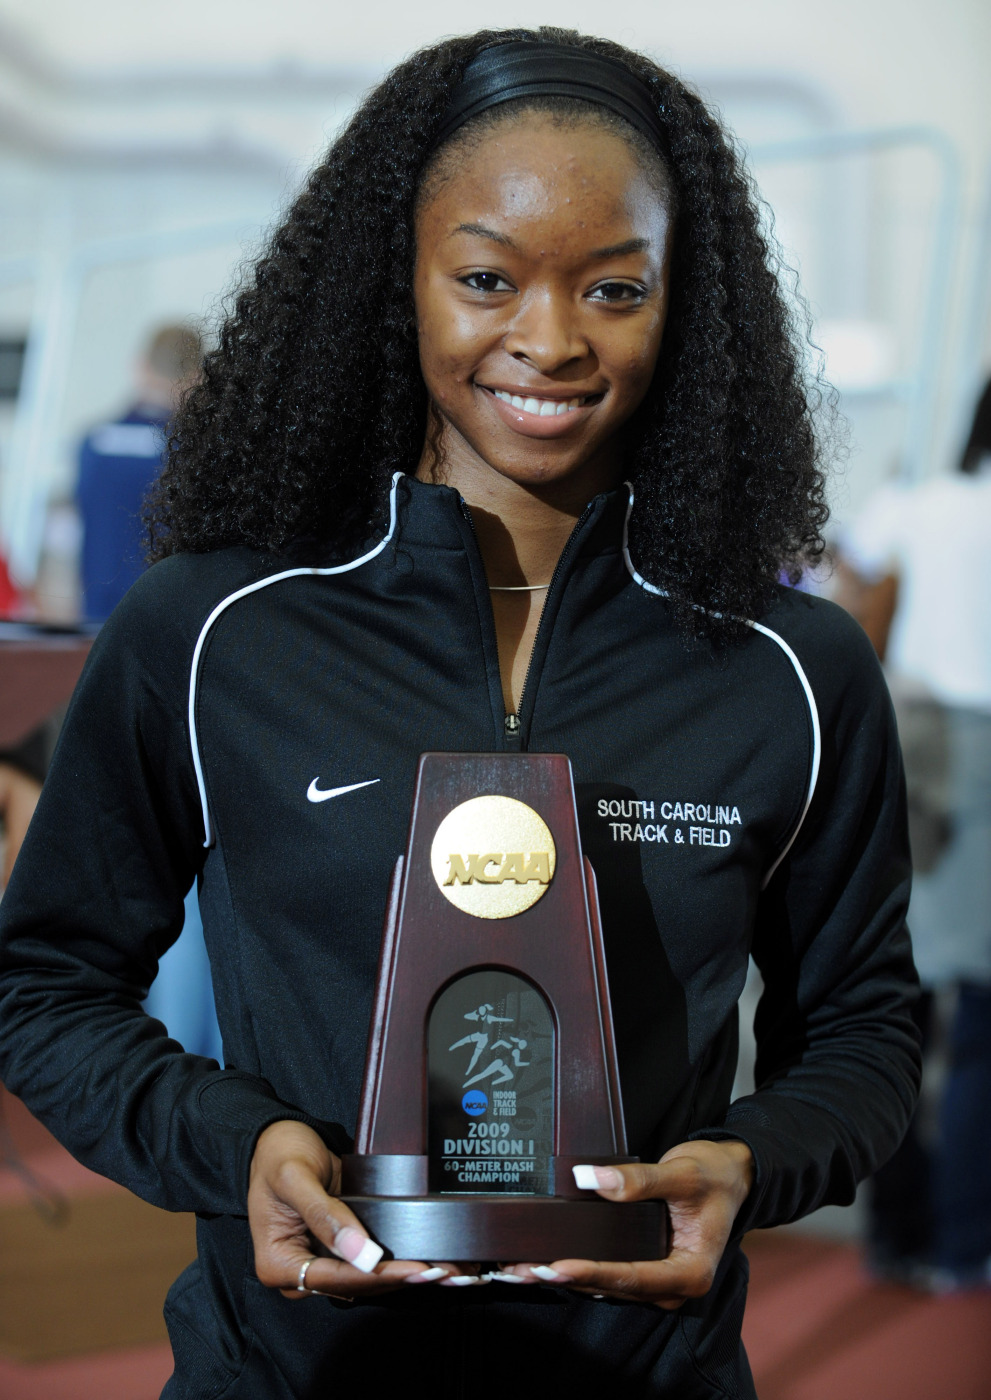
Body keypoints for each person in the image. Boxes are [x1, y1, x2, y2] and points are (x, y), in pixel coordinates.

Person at [0, 29, 920, 1398]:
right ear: (398, 286)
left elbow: (860, 1027)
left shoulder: (785, 665)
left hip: (644, 1372)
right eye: (486, 278)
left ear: (684, 306)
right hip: (292, 1369)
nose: (547, 340)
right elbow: (44, 982)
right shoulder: (212, 633)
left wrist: (749, 1161)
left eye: (615, 287)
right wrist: (231, 1142)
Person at [839, 377, 991, 1291]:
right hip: (980, 753)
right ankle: (960, 1240)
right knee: (979, 1023)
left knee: (897, 1005)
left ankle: (892, 1229)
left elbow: (841, 576)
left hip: (913, 741)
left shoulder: (915, 501)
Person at [76, 323, 202, 621]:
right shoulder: (192, 451)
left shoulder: (93, 442)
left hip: (95, 617)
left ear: (140, 366)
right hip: (164, 616)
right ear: (196, 375)